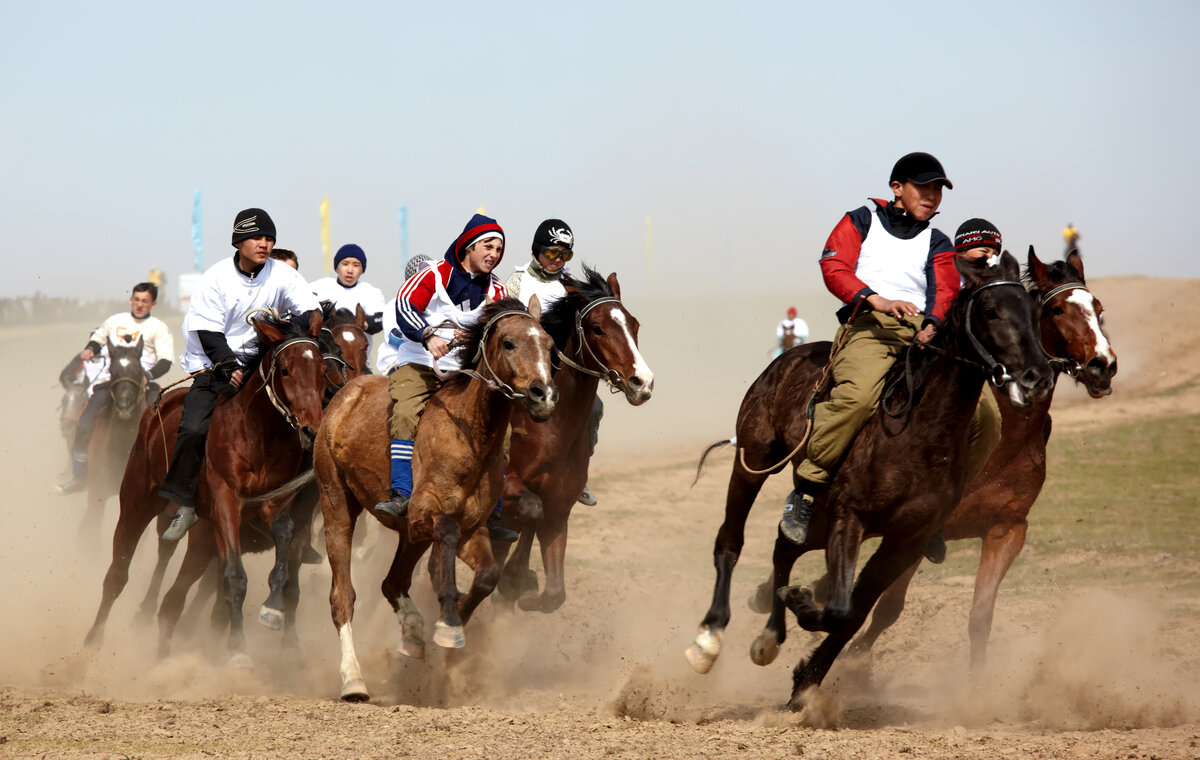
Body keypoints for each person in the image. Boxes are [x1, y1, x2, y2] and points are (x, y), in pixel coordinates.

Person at [779, 152, 962, 550]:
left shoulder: (938, 241)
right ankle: (806, 489)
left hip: (923, 333)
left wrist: (933, 324)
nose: (932, 196)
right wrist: (874, 299)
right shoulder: (860, 220)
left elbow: (945, 288)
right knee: (858, 397)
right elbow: (835, 266)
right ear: (897, 188)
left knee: (979, 411)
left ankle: (938, 508)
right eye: (923, 186)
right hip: (870, 325)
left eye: (937, 189)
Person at [158, 208, 320, 540]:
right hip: (214, 362)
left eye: (269, 238)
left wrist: (311, 328)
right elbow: (208, 332)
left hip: (265, 361)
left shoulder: (282, 274)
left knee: (316, 417)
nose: (265, 243)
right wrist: (229, 367)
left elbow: (309, 308)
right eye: (257, 237)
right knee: (191, 428)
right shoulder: (216, 278)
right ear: (238, 241)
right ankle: (185, 504)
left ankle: (302, 517)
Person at [374, 213, 517, 540]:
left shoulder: (497, 291)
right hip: (420, 363)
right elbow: (405, 305)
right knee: (406, 412)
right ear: (468, 245)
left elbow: (504, 332)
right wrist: (427, 335)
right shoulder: (435, 273)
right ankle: (400, 494)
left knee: (502, 431)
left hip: (465, 374)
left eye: (499, 248)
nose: (494, 253)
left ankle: (493, 514)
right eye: (488, 245)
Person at [505, 219, 602, 506]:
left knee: (595, 407)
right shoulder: (517, 280)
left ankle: (577, 475)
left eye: (565, 255)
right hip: (522, 367)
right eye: (551, 253)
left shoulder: (570, 286)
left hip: (560, 367)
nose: (557, 260)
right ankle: (499, 469)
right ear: (537, 251)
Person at [55, 282, 175, 494]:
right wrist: (90, 350)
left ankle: (166, 477)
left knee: (163, 428)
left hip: (143, 384)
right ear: (131, 300)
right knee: (84, 422)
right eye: (136, 300)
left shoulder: (159, 328)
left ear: (153, 304)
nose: (139, 305)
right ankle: (79, 476)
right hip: (113, 383)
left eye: (145, 301)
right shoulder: (115, 321)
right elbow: (97, 339)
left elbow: (165, 361)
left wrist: (148, 376)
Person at [310, 244, 385, 340]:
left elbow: (381, 319)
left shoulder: (371, 292)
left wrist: (363, 323)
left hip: (357, 353)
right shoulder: (318, 287)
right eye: (345, 264)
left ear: (362, 270)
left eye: (356, 265)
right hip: (325, 352)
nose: (350, 270)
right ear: (337, 267)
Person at [376, 255, 432, 376]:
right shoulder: (395, 304)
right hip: (397, 360)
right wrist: (429, 342)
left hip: (430, 360)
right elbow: (394, 338)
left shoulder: (437, 304)